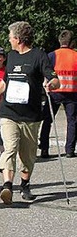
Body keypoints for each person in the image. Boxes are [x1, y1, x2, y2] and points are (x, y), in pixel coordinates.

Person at [0, 21, 60, 204]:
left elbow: (54, 79)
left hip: (30, 116)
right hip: (8, 112)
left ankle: (24, 184)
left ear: (18, 39)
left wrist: (51, 84)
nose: (9, 40)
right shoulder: (11, 56)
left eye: (10, 37)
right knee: (10, 147)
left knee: (28, 156)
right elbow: (5, 82)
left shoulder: (39, 56)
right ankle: (7, 186)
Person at [39, 29, 77, 158]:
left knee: (47, 120)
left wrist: (45, 85)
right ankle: (70, 150)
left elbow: (45, 72)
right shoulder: (75, 55)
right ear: (71, 42)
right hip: (72, 93)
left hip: (54, 92)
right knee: (72, 121)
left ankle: (44, 149)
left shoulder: (52, 55)